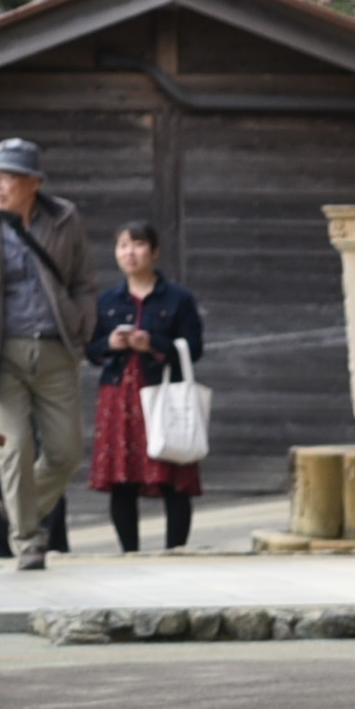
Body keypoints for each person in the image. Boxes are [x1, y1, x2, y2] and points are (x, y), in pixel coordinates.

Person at [0, 139, 93, 571]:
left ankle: (20, 507)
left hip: (56, 348)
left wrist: (82, 323)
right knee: (14, 447)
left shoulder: (64, 218)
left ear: (33, 183)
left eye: (7, 177)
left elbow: (83, 280)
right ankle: (27, 540)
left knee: (66, 451)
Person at [88, 225, 207, 554]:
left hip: (163, 394)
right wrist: (110, 344)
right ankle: (129, 552)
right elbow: (91, 350)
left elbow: (194, 347)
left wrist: (154, 343)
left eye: (138, 245)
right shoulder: (107, 300)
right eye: (123, 245)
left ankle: (176, 551)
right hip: (119, 397)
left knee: (174, 474)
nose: (130, 252)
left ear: (154, 252)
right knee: (121, 478)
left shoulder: (177, 298)